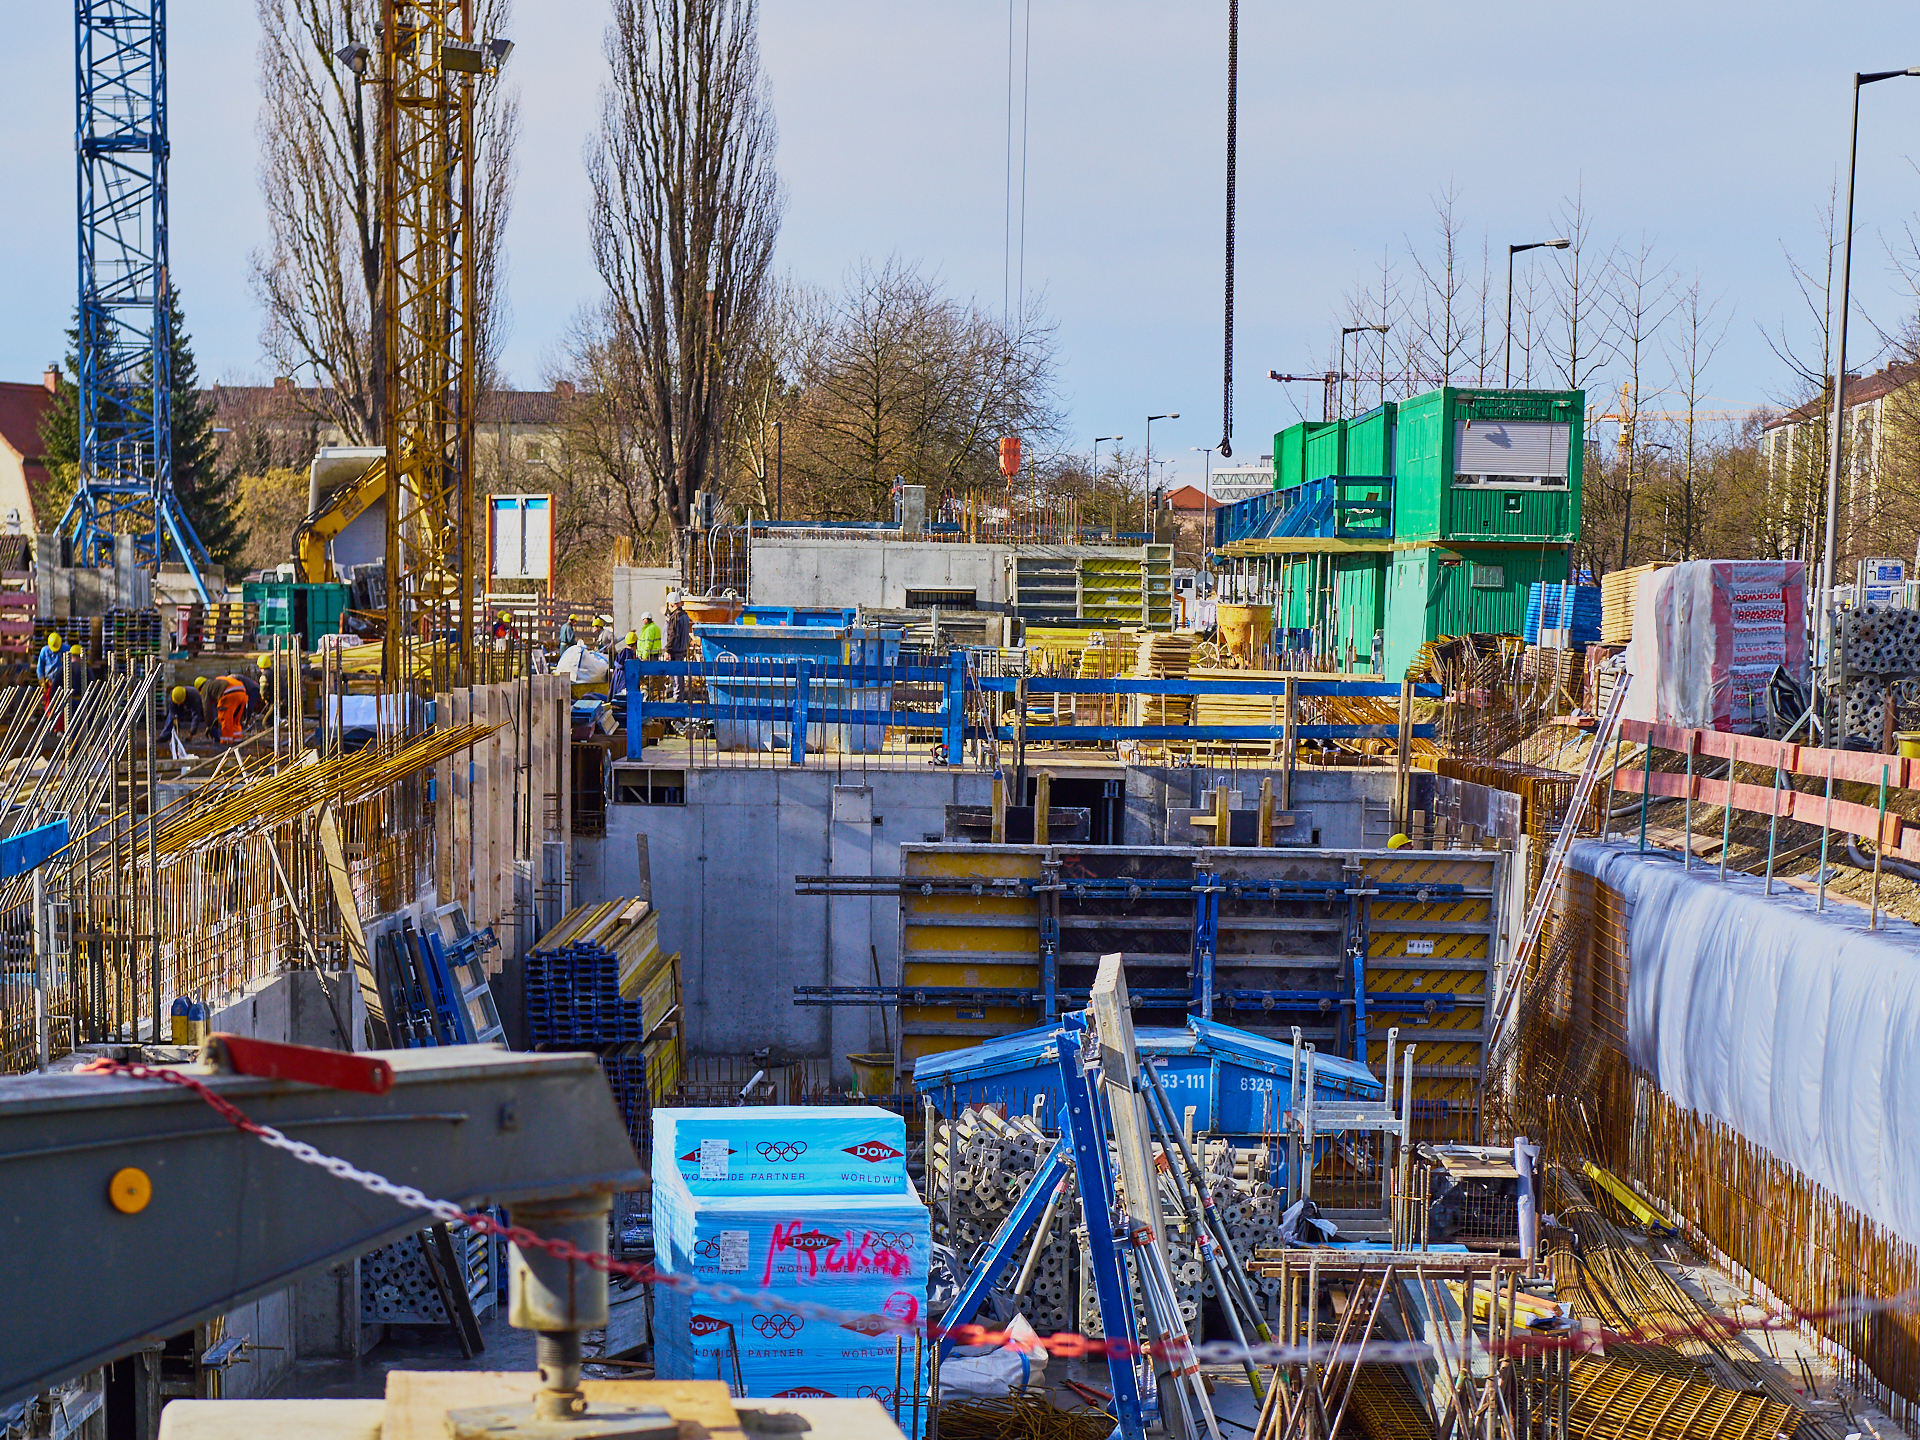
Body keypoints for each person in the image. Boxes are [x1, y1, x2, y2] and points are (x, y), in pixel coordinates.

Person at [663, 591, 692, 705]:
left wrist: (668, 650)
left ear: (671, 604)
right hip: (682, 649)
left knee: (675, 675)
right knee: (679, 674)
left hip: (675, 650)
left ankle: (677, 698)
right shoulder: (685, 615)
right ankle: (679, 696)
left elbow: (672, 635)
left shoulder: (675, 617)